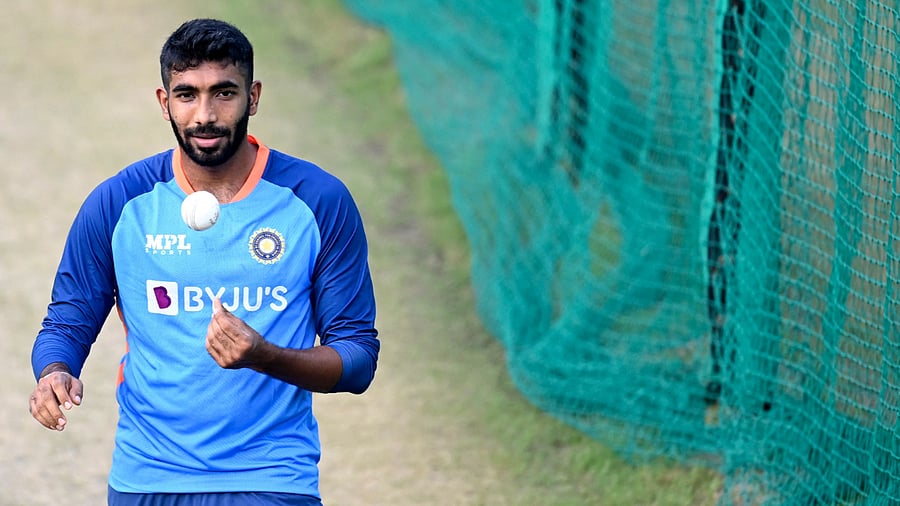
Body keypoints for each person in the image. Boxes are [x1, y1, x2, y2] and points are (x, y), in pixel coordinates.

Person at [28, 18, 380, 506]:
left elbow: (358, 359)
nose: (205, 115)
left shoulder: (317, 200)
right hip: (148, 478)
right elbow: (68, 319)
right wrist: (54, 370)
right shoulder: (120, 203)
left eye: (224, 93)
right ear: (164, 102)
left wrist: (264, 355)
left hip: (272, 479)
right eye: (187, 95)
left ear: (253, 97)